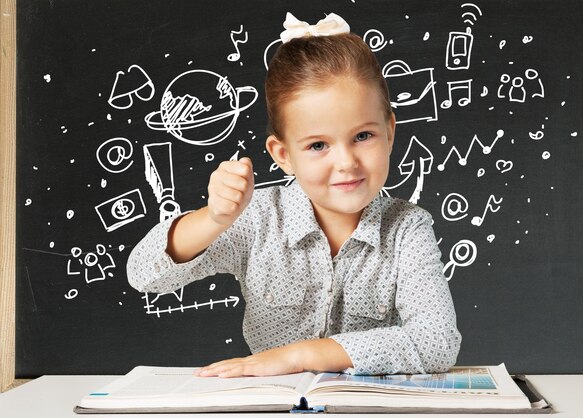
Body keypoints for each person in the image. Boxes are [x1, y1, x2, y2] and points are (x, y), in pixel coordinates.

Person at [127, 12, 461, 378]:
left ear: (389, 132)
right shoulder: (257, 218)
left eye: (363, 136)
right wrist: (213, 219)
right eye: (318, 145)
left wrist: (300, 356)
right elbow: (144, 275)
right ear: (283, 155)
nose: (346, 162)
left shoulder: (407, 229)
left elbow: (437, 342)